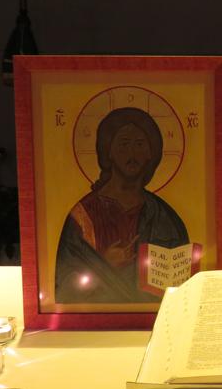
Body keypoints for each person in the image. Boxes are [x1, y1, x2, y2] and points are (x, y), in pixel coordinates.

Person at [55, 107, 188, 303]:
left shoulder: (164, 217)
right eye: (124, 144)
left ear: (151, 153)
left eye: (140, 144)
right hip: (96, 316)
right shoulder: (83, 215)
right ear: (108, 150)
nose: (132, 153)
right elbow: (63, 284)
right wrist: (104, 264)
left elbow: (181, 283)